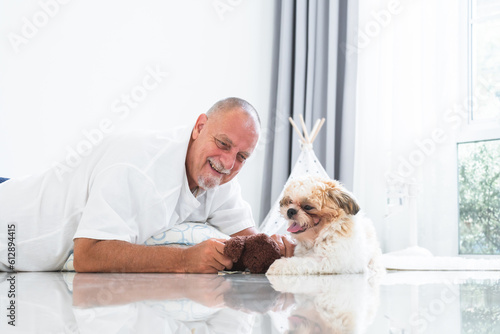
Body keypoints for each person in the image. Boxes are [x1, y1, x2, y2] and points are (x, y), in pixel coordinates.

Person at [0, 97, 294, 273]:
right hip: (11, 221)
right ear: (199, 127)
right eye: (223, 144)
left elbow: (251, 242)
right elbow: (88, 255)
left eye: (241, 156)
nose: (228, 163)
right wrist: (185, 260)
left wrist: (280, 249)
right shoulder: (138, 167)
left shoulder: (219, 176)